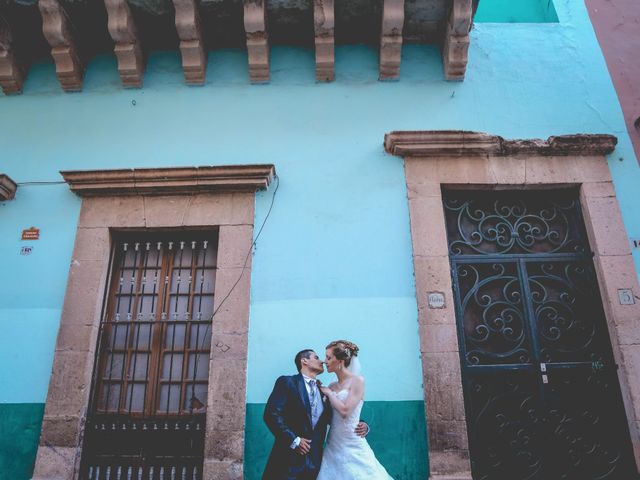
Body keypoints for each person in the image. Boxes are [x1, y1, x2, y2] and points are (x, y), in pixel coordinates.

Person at [263, 349, 369, 480]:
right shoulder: (288, 382)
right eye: (317, 357)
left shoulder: (324, 390)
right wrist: (294, 440)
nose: (323, 361)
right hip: (288, 459)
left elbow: (335, 417)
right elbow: (271, 414)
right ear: (304, 361)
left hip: (314, 461)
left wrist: (361, 423)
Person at [316, 340, 393, 480]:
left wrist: (328, 394)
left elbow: (345, 412)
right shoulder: (331, 386)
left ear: (340, 360)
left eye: (329, 357)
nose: (324, 361)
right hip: (333, 442)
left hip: (352, 441)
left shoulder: (357, 381)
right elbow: (327, 416)